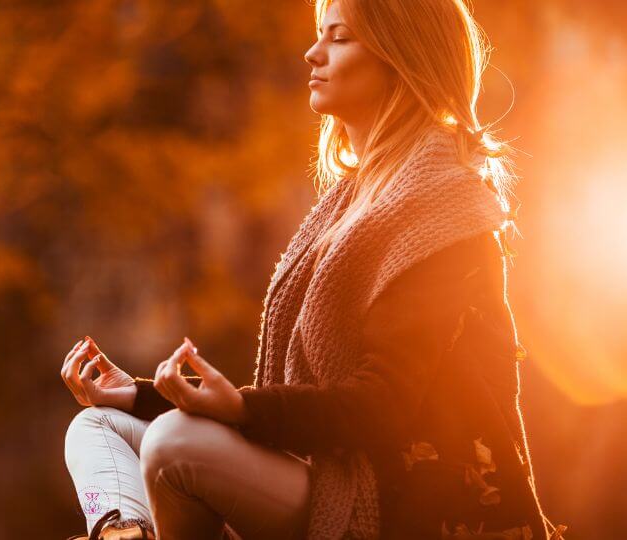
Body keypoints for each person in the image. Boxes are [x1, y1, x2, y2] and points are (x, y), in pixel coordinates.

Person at [61, 0, 567, 538]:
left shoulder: (443, 208)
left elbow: (383, 409)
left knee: (172, 446)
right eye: (319, 35)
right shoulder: (351, 202)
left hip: (399, 504)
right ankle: (122, 533)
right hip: (320, 471)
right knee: (97, 426)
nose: (312, 52)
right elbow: (292, 395)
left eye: (339, 38)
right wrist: (144, 395)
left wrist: (238, 407)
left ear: (402, 56)